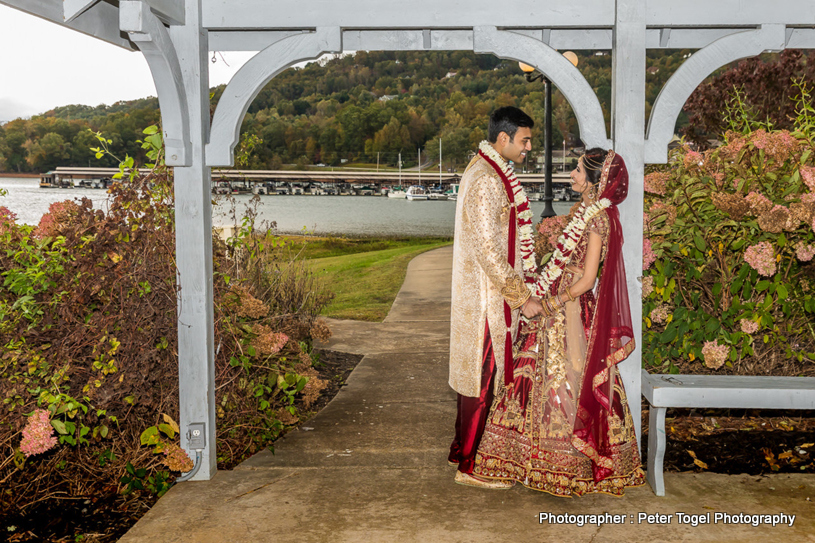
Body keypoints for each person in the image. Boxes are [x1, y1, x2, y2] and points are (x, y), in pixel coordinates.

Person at [473, 148, 646, 496]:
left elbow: (587, 278)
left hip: (570, 306)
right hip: (560, 297)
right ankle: (525, 459)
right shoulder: (587, 212)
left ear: (595, 179)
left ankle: (566, 465)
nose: (572, 175)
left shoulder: (598, 218)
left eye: (578, 170)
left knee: (564, 379)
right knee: (537, 376)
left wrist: (551, 301)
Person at [448, 106, 544, 489]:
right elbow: (489, 251)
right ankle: (471, 467)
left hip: (486, 294)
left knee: (480, 379)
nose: (529, 147)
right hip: (489, 299)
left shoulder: (486, 170)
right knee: (484, 379)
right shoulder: (487, 180)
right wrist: (522, 298)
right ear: (502, 139)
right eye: (525, 140)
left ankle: (464, 450)